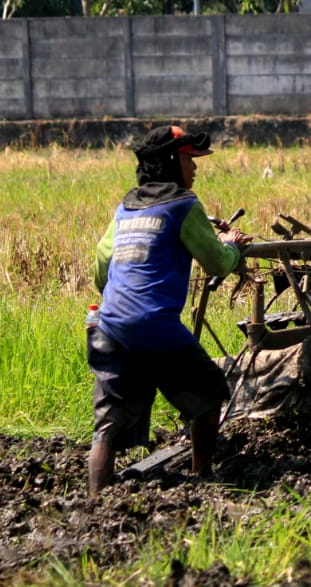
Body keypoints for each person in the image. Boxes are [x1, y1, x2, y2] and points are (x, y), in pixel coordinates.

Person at [87, 125, 252, 496]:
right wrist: (232, 245)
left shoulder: (126, 208)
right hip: (154, 324)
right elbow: (216, 262)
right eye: (188, 160)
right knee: (209, 396)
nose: (194, 169)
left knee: (107, 425)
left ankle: (95, 503)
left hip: (108, 324)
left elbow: (101, 266)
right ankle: (203, 479)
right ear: (169, 163)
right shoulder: (184, 205)